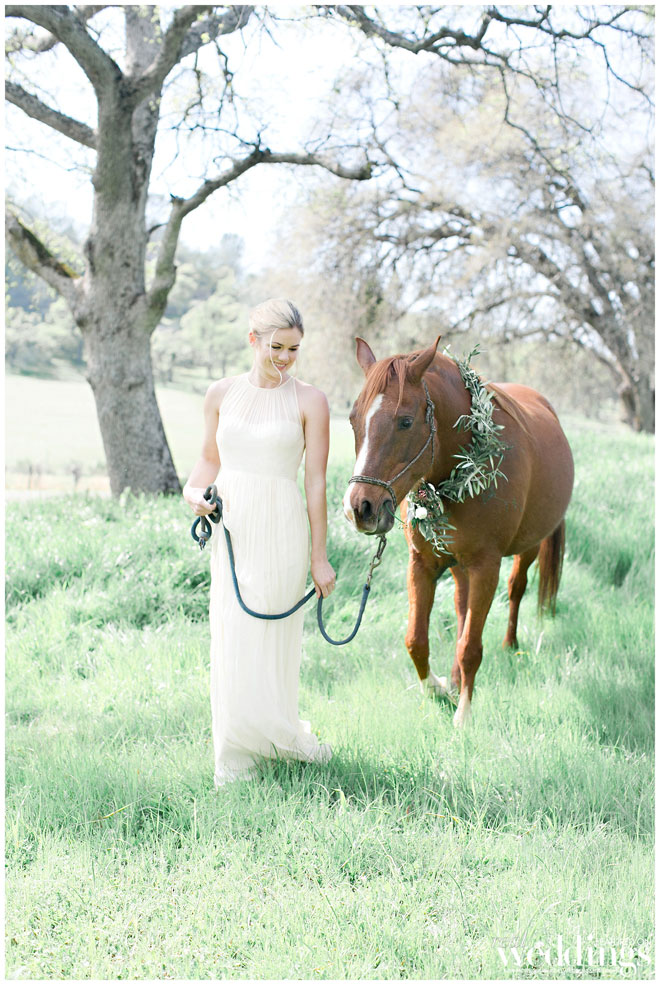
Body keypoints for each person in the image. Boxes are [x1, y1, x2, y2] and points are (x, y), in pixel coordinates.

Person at [183, 298, 336, 786]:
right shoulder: (220, 393)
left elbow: (315, 483)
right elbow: (209, 459)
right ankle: (235, 753)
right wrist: (193, 492)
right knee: (232, 633)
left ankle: (276, 735)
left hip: (282, 525)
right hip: (232, 527)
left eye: (294, 349)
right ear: (253, 340)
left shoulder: (311, 401)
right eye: (277, 347)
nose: (286, 358)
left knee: (271, 634)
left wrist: (319, 557)